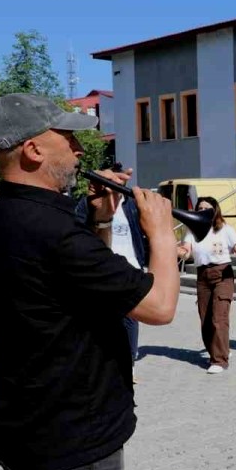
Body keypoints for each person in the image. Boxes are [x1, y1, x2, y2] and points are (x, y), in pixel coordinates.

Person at [0, 93, 179, 470]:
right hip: (74, 441)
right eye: (67, 138)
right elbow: (160, 307)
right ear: (34, 151)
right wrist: (164, 233)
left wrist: (102, 218)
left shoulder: (0, 220)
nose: (80, 151)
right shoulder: (53, 230)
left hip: (27, 429)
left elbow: (79, 286)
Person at [75, 163, 151, 380]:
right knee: (107, 320)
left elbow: (142, 235)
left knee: (131, 320)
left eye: (119, 181)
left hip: (131, 268)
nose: (115, 185)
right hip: (104, 272)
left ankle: (129, 361)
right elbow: (80, 229)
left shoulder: (132, 205)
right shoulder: (88, 204)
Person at [176, 197, 236, 374]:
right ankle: (219, 350)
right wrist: (177, 250)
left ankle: (219, 360)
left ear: (215, 211)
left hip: (223, 274)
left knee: (218, 318)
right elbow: (186, 250)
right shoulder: (192, 230)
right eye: (200, 207)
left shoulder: (224, 229)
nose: (202, 210)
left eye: (207, 208)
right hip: (203, 276)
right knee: (205, 319)